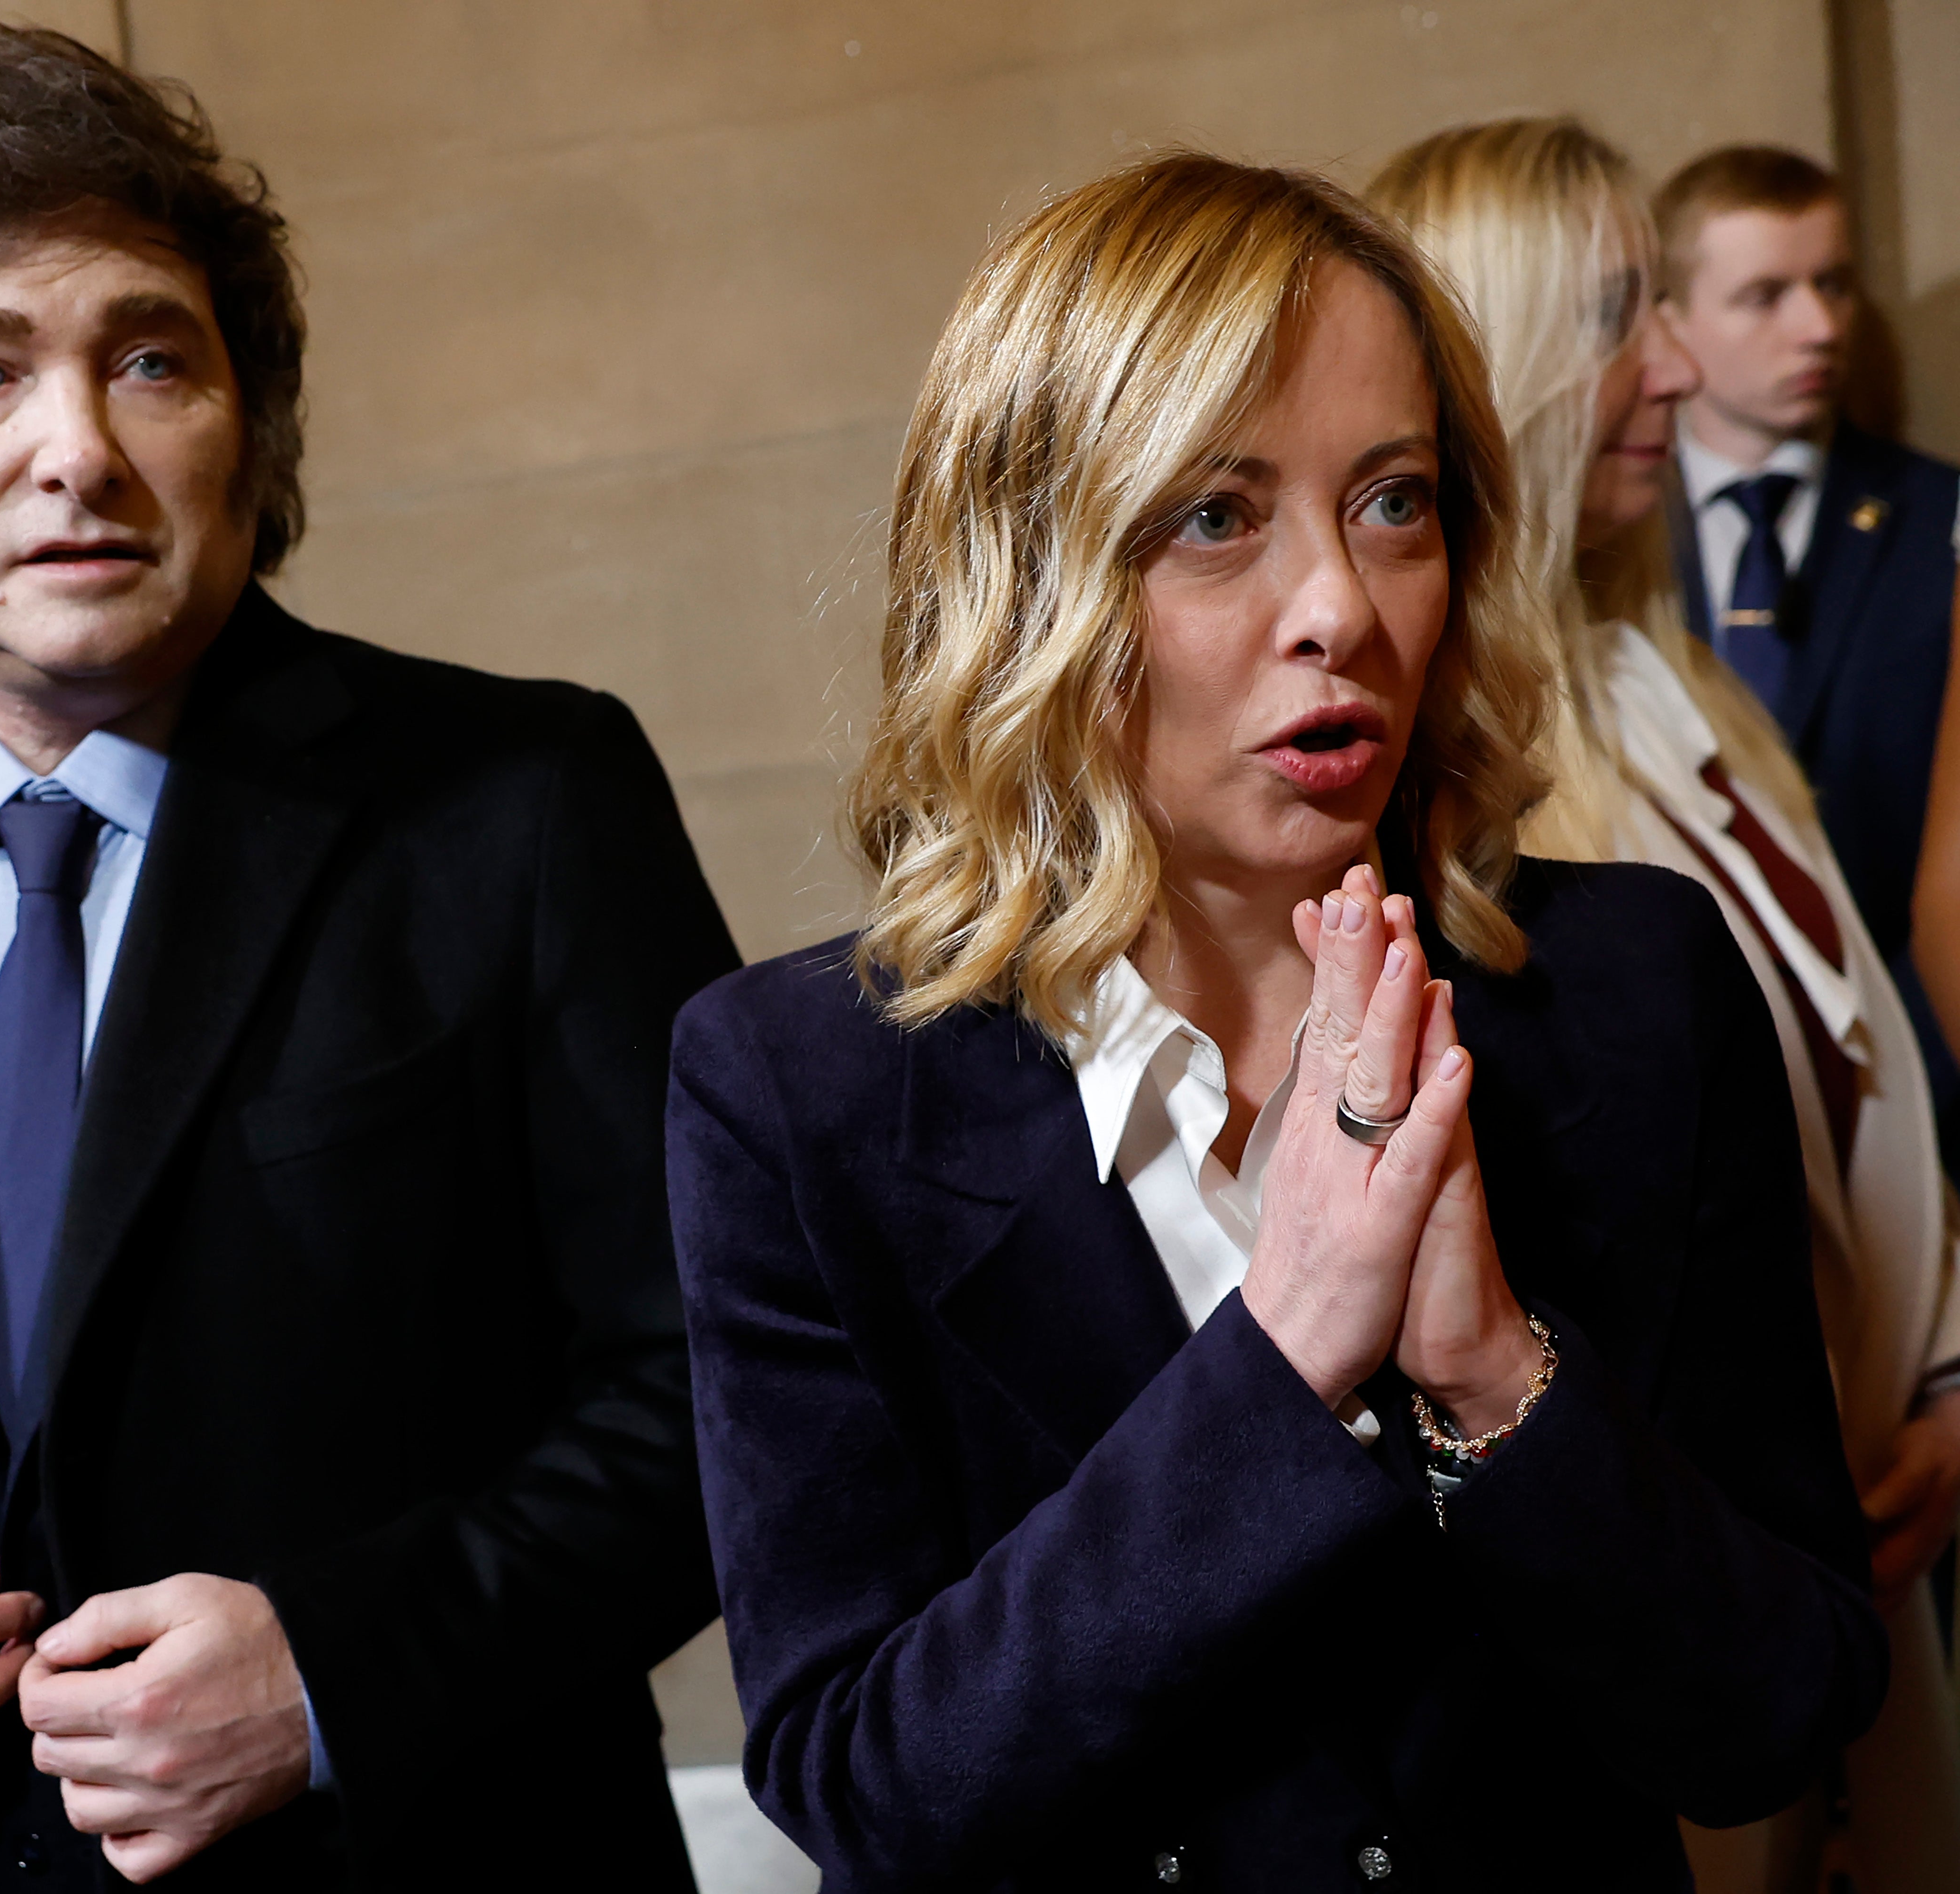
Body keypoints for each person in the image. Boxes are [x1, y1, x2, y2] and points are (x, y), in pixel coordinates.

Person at [0, 24, 736, 1893]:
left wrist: (336, 1666)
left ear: (249, 423)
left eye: (150, 358)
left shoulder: (522, 804)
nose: (76, 447)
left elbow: (719, 1388)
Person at [667, 153, 1886, 1891]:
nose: (1344, 609)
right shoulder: (798, 1087)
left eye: (1394, 502)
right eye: (1219, 517)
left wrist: (1496, 1376)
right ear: (1033, 579)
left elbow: (1780, 1715)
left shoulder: (1637, 985)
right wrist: (1287, 1345)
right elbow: (870, 1792)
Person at [1373, 119, 1960, 1893]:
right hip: (1696, 1597)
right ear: (1498, 361)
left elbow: (1860, 1075)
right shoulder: (1466, 776)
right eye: (1629, 313)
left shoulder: (1656, 667)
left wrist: (1939, 1380)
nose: (1687, 366)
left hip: (1856, 1535)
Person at [1653, 146, 1960, 1177]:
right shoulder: (1605, 547)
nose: (1820, 328)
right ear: (1674, 317)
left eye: (1832, 284)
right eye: (1765, 296)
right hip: (1689, 1103)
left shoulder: (1939, 520)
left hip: (1915, 1103)